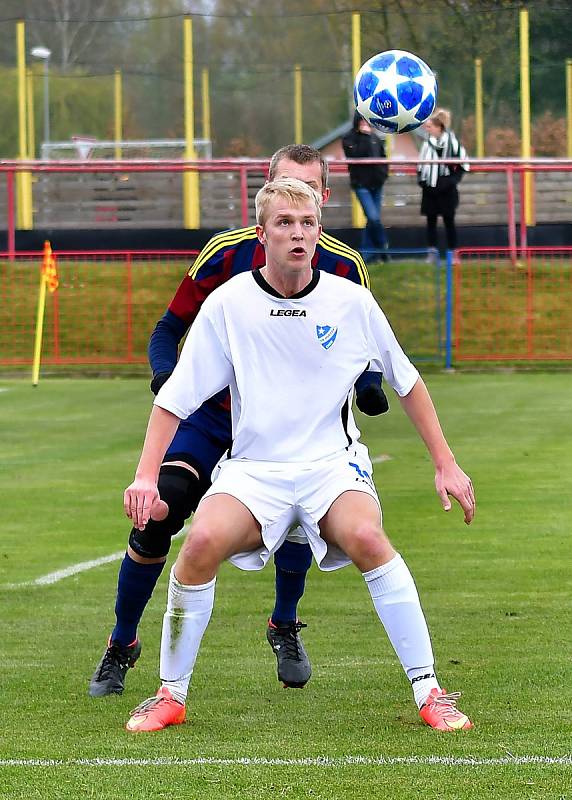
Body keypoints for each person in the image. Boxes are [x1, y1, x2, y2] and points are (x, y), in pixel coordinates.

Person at [122, 178, 475, 735]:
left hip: (332, 466)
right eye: (284, 223)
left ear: (318, 231)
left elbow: (406, 382)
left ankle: (430, 691)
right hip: (254, 469)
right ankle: (170, 694)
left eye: (308, 224)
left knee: (367, 539)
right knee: (200, 544)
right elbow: (175, 397)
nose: (298, 234)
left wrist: (445, 463)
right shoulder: (229, 303)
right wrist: (145, 476)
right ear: (262, 233)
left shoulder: (351, 301)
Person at [88, 144, 390, 698]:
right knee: (159, 510)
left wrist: (370, 387)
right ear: (264, 198)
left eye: (309, 194)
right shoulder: (224, 256)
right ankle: (122, 641)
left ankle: (284, 623)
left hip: (293, 429)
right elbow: (166, 329)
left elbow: (366, 348)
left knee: (304, 512)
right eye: (284, 190)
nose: (297, 208)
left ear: (323, 200)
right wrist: (170, 381)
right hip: (214, 422)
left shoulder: (346, 266)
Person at [417, 108, 469, 262]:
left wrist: (451, 181)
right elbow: (420, 166)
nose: (427, 130)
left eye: (430, 127)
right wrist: (422, 181)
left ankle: (453, 253)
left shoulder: (453, 144)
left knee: (449, 221)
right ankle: (432, 252)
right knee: (431, 221)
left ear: (439, 127)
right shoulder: (427, 145)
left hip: (447, 189)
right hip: (430, 188)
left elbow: (463, 164)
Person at [342, 111, 390, 264]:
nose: (365, 124)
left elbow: (382, 158)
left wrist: (383, 175)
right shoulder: (349, 138)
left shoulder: (375, 138)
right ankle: (383, 247)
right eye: (361, 121)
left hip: (377, 183)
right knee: (374, 218)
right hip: (361, 184)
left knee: (372, 220)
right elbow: (356, 155)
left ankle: (366, 254)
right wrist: (365, 137)